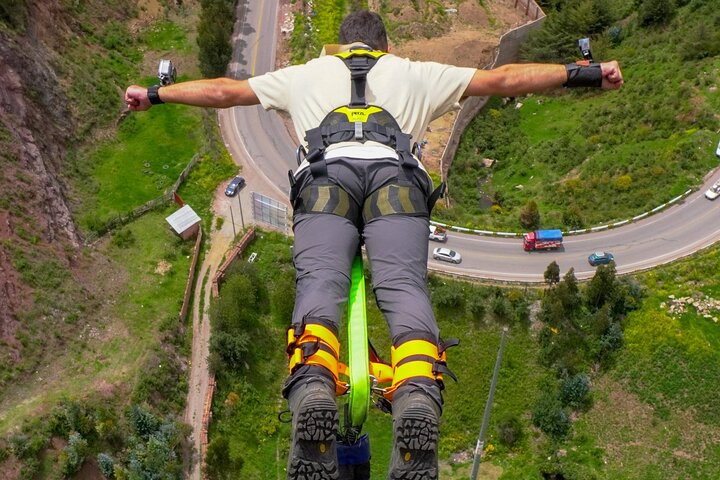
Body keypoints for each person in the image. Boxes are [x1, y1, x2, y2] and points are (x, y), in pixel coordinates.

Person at [125, 10, 623, 479]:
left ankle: (316, 380)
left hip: (326, 183)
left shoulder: (305, 73)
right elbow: (505, 79)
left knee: (321, 281)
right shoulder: (416, 72)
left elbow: (224, 91)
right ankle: (416, 389)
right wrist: (586, 73)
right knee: (403, 287)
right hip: (396, 183)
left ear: (339, 44)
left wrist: (155, 94)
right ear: (388, 47)